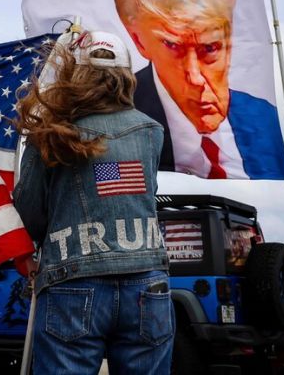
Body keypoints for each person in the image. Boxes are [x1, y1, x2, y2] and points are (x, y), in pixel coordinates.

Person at [13, 30, 173, 375]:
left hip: (72, 282)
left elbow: (29, 211)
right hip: (147, 282)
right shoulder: (151, 131)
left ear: (78, 73)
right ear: (127, 76)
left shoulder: (51, 132)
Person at [111, 0, 284, 180]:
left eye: (210, 48)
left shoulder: (261, 117)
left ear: (228, 37)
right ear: (139, 41)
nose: (195, 77)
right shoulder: (116, 117)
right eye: (173, 46)